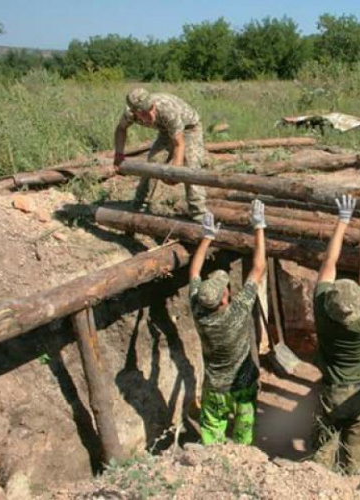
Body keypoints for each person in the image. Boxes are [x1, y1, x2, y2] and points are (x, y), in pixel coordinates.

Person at [312, 194, 360, 475]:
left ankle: (319, 486)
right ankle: (350, 486)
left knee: (323, 447)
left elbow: (329, 261)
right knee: (355, 453)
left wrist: (341, 221)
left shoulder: (321, 310)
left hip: (331, 393)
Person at [189, 200, 267, 444]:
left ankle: (214, 461)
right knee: (244, 434)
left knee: (211, 434)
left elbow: (193, 273)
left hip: (214, 388)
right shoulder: (237, 312)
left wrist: (206, 237)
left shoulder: (198, 310)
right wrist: (259, 226)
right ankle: (241, 458)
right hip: (242, 386)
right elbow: (259, 267)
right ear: (224, 299)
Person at [113, 88, 208, 221]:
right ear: (135, 112)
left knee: (191, 169)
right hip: (165, 131)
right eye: (145, 113)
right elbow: (121, 129)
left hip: (189, 128)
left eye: (152, 109)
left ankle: (199, 215)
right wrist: (119, 155)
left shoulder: (167, 109)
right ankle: (139, 206)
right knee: (152, 166)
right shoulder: (129, 113)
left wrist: (175, 171)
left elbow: (179, 144)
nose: (151, 114)